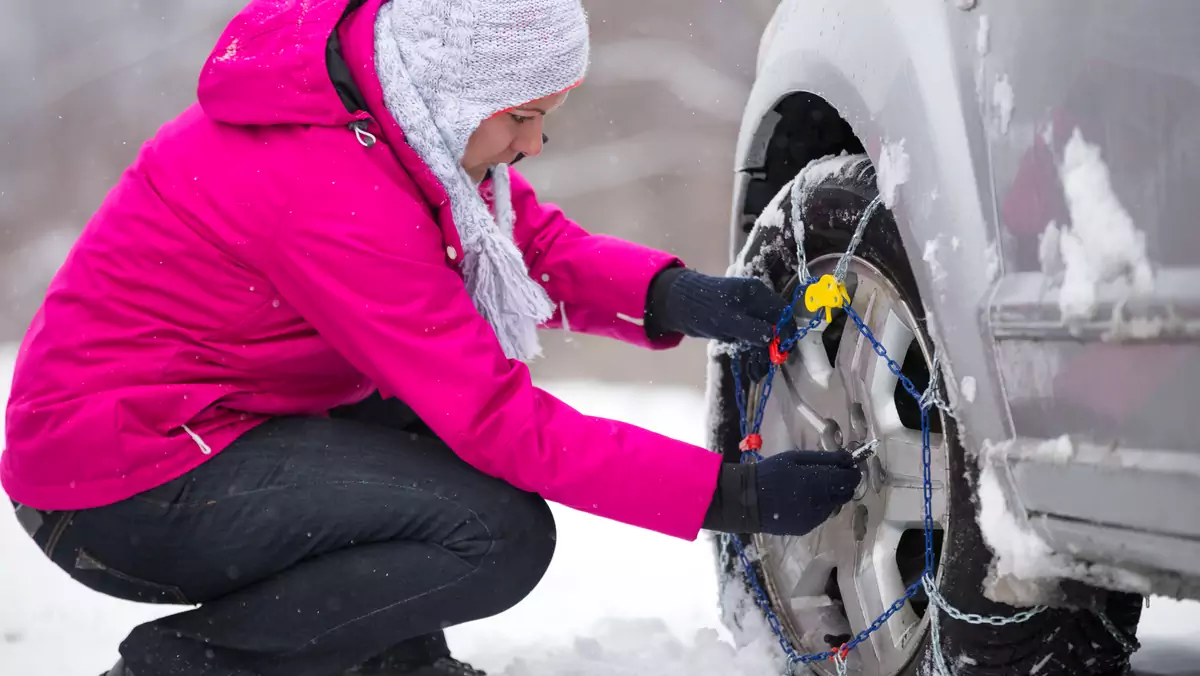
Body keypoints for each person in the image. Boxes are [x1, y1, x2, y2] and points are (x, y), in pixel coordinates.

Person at [1, 1, 862, 675]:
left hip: (205, 424)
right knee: (493, 537)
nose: (532, 144)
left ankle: (389, 659)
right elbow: (499, 420)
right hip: (115, 482)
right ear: (455, 94)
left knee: (423, 442)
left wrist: (676, 297)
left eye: (547, 115)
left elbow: (526, 246)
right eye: (522, 116)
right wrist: (729, 497)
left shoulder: (388, 114)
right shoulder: (326, 186)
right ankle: (182, 671)